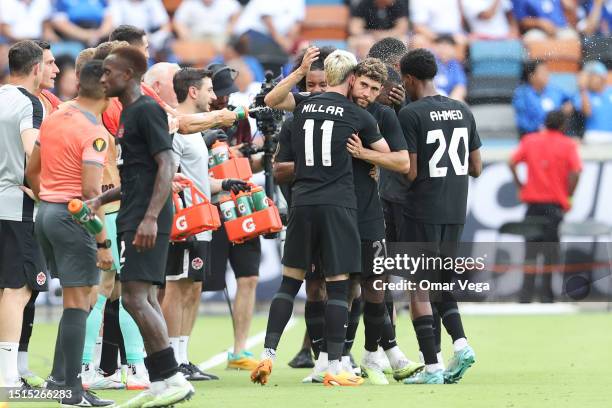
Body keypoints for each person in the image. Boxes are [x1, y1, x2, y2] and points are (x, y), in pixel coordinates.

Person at [251, 49, 391, 387]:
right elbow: (388, 157)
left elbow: (270, 99)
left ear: (326, 75)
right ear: (352, 78)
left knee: (290, 282)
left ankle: (268, 353)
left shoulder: (304, 106)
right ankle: (333, 365)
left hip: (302, 203)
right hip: (338, 206)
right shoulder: (359, 115)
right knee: (339, 286)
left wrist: (299, 71)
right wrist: (369, 159)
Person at [89, 45, 194, 407]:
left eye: (108, 73)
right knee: (143, 297)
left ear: (128, 74)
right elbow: (137, 173)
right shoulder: (130, 114)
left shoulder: (146, 110)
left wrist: (150, 217)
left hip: (145, 216)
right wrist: (100, 201)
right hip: (135, 211)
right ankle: (164, 379)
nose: (102, 79)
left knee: (134, 298)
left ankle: (171, 376)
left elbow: (166, 164)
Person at [26, 59, 115, 407]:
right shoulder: (94, 132)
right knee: (80, 303)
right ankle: (73, 393)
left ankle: (59, 382)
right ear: (107, 88)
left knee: (80, 299)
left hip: (46, 213)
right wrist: (103, 241)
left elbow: (32, 169)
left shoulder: (55, 116)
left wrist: (47, 196)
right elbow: (92, 193)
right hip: (72, 216)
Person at [397, 48, 482, 384]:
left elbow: (412, 172)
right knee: (441, 283)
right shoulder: (462, 110)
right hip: (454, 210)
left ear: (408, 79)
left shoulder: (411, 114)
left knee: (418, 288)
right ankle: (460, 345)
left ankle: (431, 367)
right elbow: (476, 168)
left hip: (422, 209)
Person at [164, 67, 249, 381]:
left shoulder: (195, 133)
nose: (214, 97)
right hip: (186, 220)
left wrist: (225, 183)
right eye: (210, 90)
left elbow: (198, 180)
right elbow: (171, 178)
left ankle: (182, 357)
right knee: (177, 288)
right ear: (193, 92)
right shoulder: (176, 128)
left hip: (203, 220)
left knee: (193, 288)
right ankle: (169, 358)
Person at [203, 63, 263, 371]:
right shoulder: (192, 119)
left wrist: (258, 153)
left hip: (242, 204)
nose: (224, 100)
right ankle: (174, 350)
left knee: (249, 277)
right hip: (207, 207)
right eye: (219, 93)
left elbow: (253, 164)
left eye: (228, 94)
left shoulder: (239, 117)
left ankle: (240, 349)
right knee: (188, 284)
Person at [0, 40, 46, 391]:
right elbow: (33, 152)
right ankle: (7, 374)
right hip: (16, 206)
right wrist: (42, 191)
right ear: (35, 69)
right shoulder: (30, 103)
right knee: (17, 290)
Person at [509, 110, 582, 303]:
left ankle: (525, 296)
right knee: (550, 252)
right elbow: (576, 171)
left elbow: (512, 162)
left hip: (533, 205)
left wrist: (520, 185)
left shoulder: (530, 140)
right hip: (554, 207)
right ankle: (547, 296)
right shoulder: (567, 145)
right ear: (563, 126)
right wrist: (569, 194)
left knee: (530, 252)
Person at [513, 59, 572, 137]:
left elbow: (571, 100)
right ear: (532, 76)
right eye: (543, 72)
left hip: (555, 136)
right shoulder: (522, 94)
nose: (547, 74)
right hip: (534, 137)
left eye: (547, 71)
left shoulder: (555, 90)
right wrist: (540, 128)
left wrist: (568, 105)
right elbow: (523, 123)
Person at [173, 0, 242, 51]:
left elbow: (237, 14)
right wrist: (185, 36)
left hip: (220, 36)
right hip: (196, 36)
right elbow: (178, 21)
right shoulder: (189, 3)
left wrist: (229, 30)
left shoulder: (228, 2)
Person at [574, 60, 612, 144]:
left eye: (592, 76)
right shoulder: (582, 94)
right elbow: (587, 112)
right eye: (588, 77)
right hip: (593, 136)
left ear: (602, 77)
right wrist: (583, 88)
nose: (589, 80)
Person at [513, 0, 579, 41]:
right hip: (538, 31)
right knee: (533, 39)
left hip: (561, 29)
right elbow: (521, 21)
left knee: (571, 37)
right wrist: (539, 23)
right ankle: (539, 64)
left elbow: (571, 10)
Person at [432, 35, 467, 102]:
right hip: (431, 99)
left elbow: (460, 86)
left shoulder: (455, 64)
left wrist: (451, 102)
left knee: (460, 101)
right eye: (440, 47)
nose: (443, 50)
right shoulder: (429, 61)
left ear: (453, 49)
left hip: (449, 100)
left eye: (446, 47)